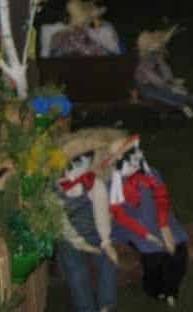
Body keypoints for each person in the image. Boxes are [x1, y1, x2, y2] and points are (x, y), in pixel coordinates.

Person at [104, 134, 189, 308]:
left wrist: (164, 227)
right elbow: (120, 216)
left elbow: (161, 198)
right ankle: (154, 289)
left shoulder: (151, 173)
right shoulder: (113, 184)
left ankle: (171, 289)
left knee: (179, 250)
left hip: (157, 218)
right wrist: (147, 235)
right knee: (154, 255)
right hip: (132, 226)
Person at [54, 129, 124, 312]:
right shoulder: (56, 190)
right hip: (69, 236)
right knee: (76, 271)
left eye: (88, 160)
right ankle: (85, 308)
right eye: (78, 162)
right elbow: (60, 221)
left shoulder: (93, 183)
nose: (84, 166)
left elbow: (101, 213)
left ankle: (106, 305)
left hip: (94, 231)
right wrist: (78, 242)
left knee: (109, 262)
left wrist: (106, 241)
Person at [132, 26, 193, 118]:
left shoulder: (156, 55)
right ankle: (181, 105)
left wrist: (170, 80)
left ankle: (189, 98)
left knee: (172, 90)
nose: (160, 50)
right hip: (145, 86)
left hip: (156, 79)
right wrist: (169, 86)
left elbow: (165, 69)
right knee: (160, 94)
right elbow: (155, 80)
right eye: (157, 48)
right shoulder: (143, 65)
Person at [46, 0, 122, 57]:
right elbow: (53, 46)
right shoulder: (65, 31)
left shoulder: (103, 28)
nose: (90, 7)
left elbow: (115, 49)